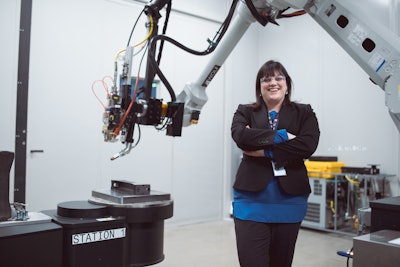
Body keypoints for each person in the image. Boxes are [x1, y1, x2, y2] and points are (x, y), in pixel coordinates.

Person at [231, 60, 320, 267]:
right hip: (250, 200)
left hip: (290, 201)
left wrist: (265, 150)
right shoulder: (245, 111)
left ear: (287, 84)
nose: (273, 83)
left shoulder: (304, 112)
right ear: (259, 86)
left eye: (279, 78)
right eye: (266, 79)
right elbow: (241, 136)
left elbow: (308, 144)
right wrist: (282, 136)